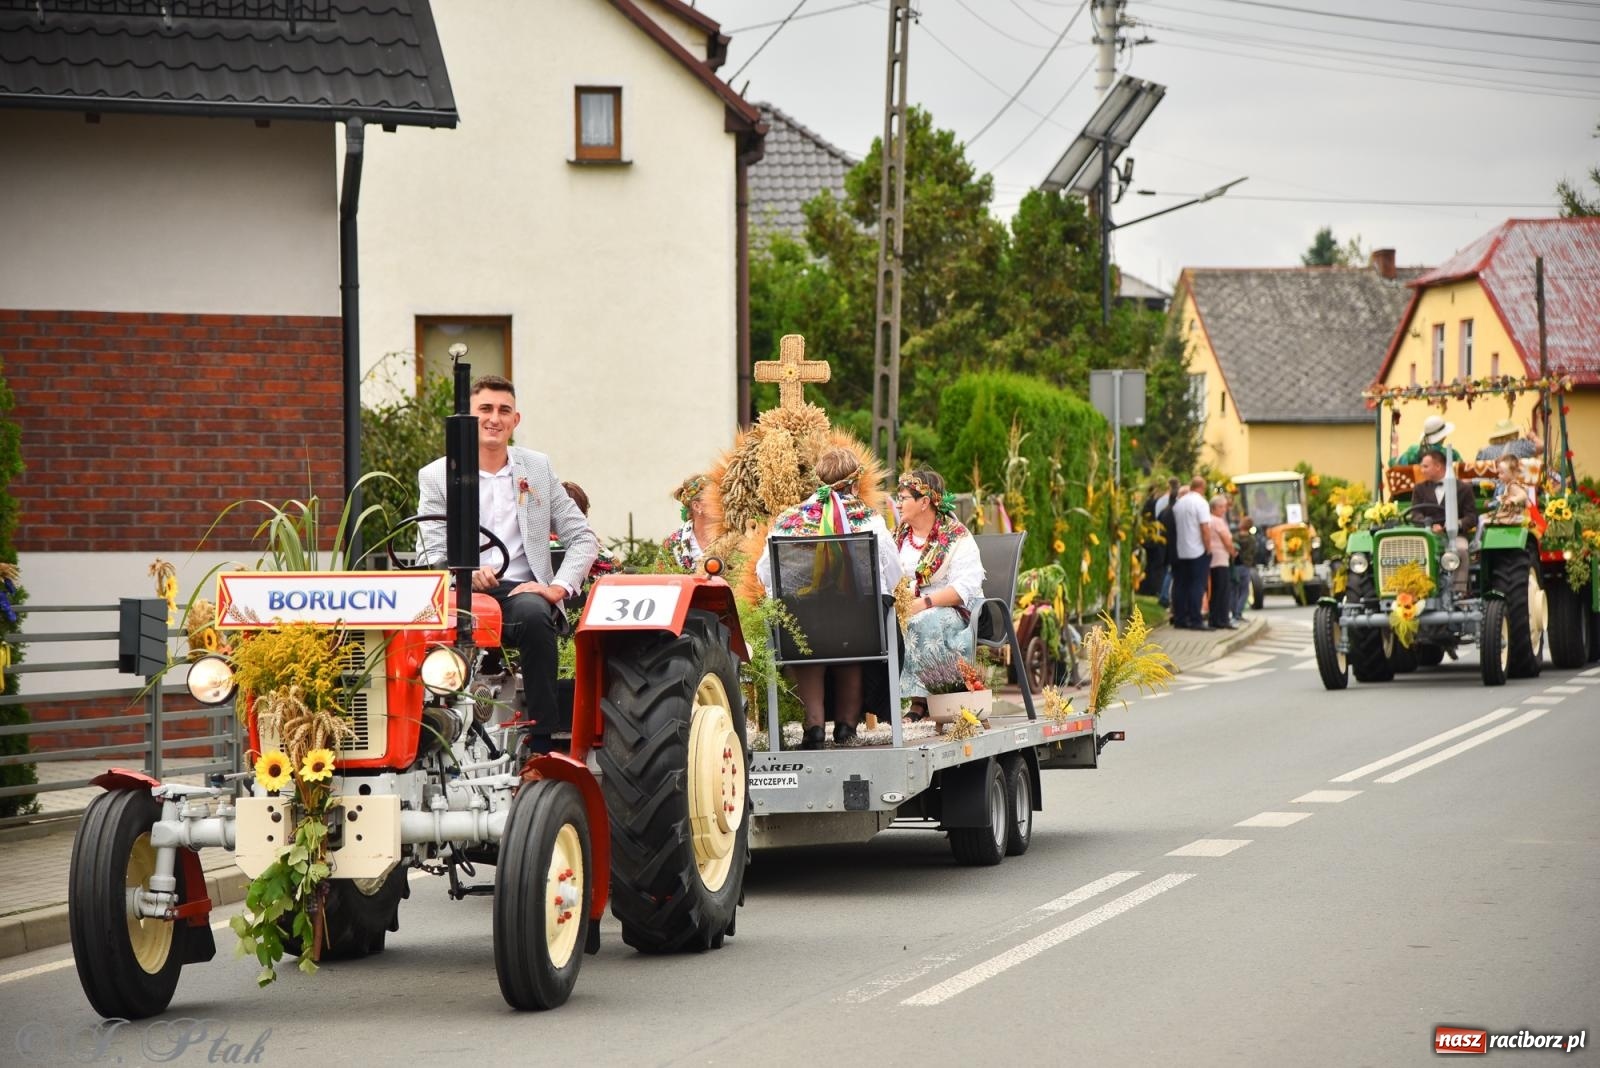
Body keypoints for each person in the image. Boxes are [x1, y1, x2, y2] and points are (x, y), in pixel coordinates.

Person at [417, 374, 598, 752]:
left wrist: (556, 588)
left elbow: (582, 538)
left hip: (519, 589)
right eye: (485, 409)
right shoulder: (437, 475)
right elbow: (430, 552)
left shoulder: (537, 468)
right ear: (468, 416)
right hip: (461, 591)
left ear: (516, 420)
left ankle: (543, 741)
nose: (494, 419)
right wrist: (460, 571)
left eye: (504, 411)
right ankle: (430, 731)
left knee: (533, 613)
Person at [757, 448, 901, 749]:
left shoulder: (789, 520)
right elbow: (892, 574)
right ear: (856, 483)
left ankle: (814, 728)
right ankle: (847, 727)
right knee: (852, 637)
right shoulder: (870, 520)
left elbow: (766, 575)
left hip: (802, 627)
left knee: (809, 634)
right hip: (861, 629)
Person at [893, 468, 986, 719]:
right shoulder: (900, 536)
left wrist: (925, 602)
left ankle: (921, 701)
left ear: (924, 502)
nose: (898, 504)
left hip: (951, 608)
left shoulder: (957, 536)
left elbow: (963, 589)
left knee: (923, 620)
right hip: (908, 604)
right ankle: (878, 705)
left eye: (903, 498)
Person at [1410, 445, 1477, 594]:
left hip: (1454, 535)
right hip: (1427, 535)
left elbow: (1472, 517)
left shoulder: (1463, 489)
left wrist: (1455, 524)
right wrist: (1429, 525)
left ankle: (1458, 592)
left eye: (1425, 466)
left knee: (1460, 550)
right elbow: (1415, 514)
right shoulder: (1419, 489)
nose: (1422, 470)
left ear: (1438, 466)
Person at [1170, 477, 1212, 629]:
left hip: (1181, 550)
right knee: (1197, 586)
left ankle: (1180, 618)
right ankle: (1196, 619)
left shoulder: (1179, 503)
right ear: (1202, 487)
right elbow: (1205, 528)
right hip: (1197, 550)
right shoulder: (1201, 503)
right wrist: (1208, 547)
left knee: (1181, 585)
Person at [663, 474, 715, 571]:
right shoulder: (672, 545)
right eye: (714, 498)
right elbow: (662, 582)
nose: (721, 502)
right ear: (697, 506)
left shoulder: (732, 538)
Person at [1206, 495, 1236, 630]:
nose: (1224, 509)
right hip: (1220, 559)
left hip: (1214, 558)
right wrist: (1232, 551)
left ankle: (1216, 618)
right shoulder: (1217, 521)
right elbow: (1225, 538)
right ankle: (1222, 619)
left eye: (1225, 506)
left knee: (1217, 590)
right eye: (1221, 507)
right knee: (1222, 590)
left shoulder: (1209, 520)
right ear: (1214, 508)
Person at [1392, 415, 1461, 467]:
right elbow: (1463, 472)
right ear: (1443, 436)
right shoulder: (1451, 454)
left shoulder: (1413, 452)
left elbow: (1393, 464)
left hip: (1418, 486)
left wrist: (1394, 443)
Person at [1138, 482, 1168, 597]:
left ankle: (1146, 587)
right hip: (1154, 537)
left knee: (1150, 564)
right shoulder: (1154, 504)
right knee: (1156, 564)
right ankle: (1154, 588)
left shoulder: (1147, 503)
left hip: (1148, 536)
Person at [1486, 455, 1532, 526]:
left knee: (1483, 520)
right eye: (1499, 473)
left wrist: (1511, 500)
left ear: (1512, 473)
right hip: (1510, 513)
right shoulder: (1507, 485)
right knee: (1485, 518)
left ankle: (1478, 536)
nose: (1499, 476)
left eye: (1501, 473)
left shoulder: (1513, 486)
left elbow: (1523, 495)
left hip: (1515, 514)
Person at [1475, 417, 1541, 462]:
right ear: (1513, 433)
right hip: (1512, 482)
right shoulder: (1520, 446)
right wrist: (1533, 436)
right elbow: (1542, 446)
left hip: (1489, 483)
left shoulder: (1484, 452)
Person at [1157, 476, 1179, 607]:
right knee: (1170, 571)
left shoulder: (1163, 509)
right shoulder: (1174, 510)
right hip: (1173, 543)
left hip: (1163, 540)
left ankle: (1164, 594)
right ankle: (1164, 596)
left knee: (1166, 570)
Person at [1232, 513, 1258, 623]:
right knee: (1244, 591)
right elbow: (1254, 552)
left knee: (1234, 590)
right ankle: (1238, 613)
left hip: (1235, 566)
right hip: (1245, 566)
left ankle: (1233, 613)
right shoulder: (1251, 539)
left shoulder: (1235, 537)